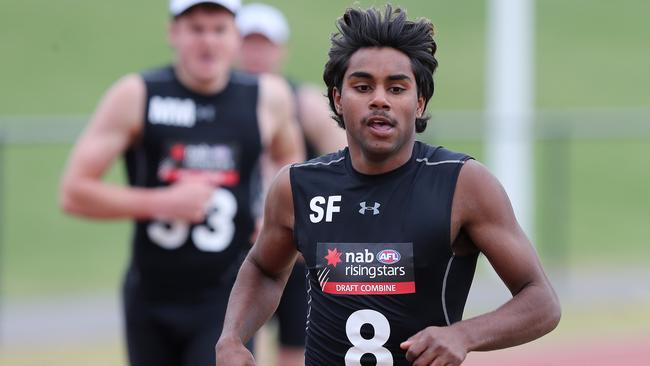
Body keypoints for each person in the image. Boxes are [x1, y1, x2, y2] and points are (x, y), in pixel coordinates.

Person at [216, 4, 561, 366]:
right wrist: (233, 337)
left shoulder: (463, 184)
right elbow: (264, 268)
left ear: (419, 103)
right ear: (337, 98)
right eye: (363, 86)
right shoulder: (297, 186)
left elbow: (541, 300)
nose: (379, 99)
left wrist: (463, 335)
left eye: (396, 88)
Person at [58, 0, 304, 365]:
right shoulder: (138, 95)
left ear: (235, 36)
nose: (208, 42)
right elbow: (74, 192)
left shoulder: (266, 97)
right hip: (151, 293)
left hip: (228, 295)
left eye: (219, 29)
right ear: (174, 33)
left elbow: (289, 159)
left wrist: (270, 211)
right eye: (196, 29)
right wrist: (161, 203)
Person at [235, 3, 347, 365]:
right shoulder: (223, 106)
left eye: (264, 45)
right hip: (239, 255)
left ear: (281, 50)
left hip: (298, 258)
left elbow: (346, 168)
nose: (256, 54)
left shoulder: (307, 103)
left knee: (297, 354)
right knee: (234, 347)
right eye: (248, 44)